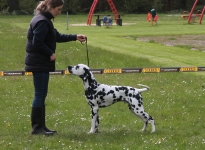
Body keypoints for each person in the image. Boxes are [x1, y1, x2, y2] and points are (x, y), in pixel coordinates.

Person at [25, 0, 86, 135]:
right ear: (50, 7)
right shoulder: (42, 21)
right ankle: (37, 128)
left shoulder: (44, 19)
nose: (59, 12)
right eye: (58, 9)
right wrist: (50, 53)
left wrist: (75, 37)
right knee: (39, 95)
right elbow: (37, 42)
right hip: (39, 62)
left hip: (40, 62)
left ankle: (41, 126)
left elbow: (56, 36)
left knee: (41, 95)